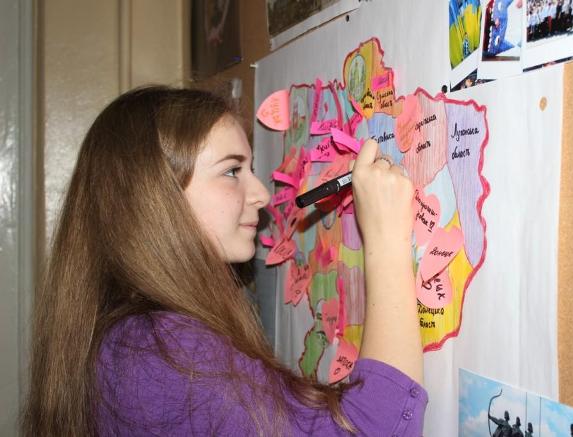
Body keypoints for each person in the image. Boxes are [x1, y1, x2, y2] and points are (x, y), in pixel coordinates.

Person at [20, 86, 426, 436]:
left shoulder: (125, 335)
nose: (261, 194)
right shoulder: (162, 351)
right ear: (155, 197)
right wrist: (386, 238)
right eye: (232, 171)